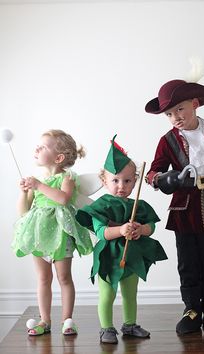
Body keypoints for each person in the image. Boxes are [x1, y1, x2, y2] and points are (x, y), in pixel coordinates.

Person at [145, 78, 204, 335]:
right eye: (169, 113)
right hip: (185, 209)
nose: (175, 117)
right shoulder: (167, 140)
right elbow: (152, 173)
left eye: (180, 109)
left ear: (195, 104)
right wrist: (166, 179)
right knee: (187, 261)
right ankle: (191, 309)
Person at [76, 135, 167, 344]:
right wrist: (121, 230)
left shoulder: (139, 205)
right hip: (109, 256)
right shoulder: (101, 206)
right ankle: (106, 328)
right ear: (104, 181)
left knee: (130, 293)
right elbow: (101, 233)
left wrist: (140, 229)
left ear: (135, 181)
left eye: (127, 181)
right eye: (115, 180)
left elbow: (151, 227)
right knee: (107, 294)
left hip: (131, 256)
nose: (121, 186)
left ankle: (130, 324)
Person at [12, 129, 93, 336]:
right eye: (38, 145)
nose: (37, 148)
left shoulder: (67, 177)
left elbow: (63, 199)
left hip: (60, 233)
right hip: (39, 235)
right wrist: (24, 192)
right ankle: (44, 320)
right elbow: (23, 211)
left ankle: (67, 319)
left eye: (43, 146)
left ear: (58, 157)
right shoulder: (35, 181)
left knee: (64, 277)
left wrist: (38, 186)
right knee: (43, 279)